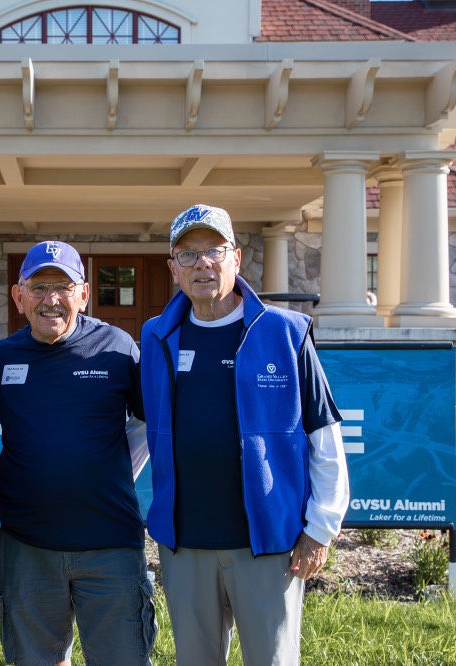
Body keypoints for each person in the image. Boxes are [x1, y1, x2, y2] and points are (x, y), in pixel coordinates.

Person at [140, 204, 349, 666]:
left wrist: (320, 528)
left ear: (236, 257)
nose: (203, 265)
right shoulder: (156, 336)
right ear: (173, 268)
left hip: (268, 544)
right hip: (185, 542)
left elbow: (323, 432)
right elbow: (142, 427)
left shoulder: (283, 331)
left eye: (213, 250)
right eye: (188, 255)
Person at [0, 241, 156, 666]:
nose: (52, 299)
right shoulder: (1, 358)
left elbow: (150, 422)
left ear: (83, 294)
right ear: (18, 295)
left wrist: (114, 475)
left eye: (64, 286)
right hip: (27, 546)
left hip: (110, 544)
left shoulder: (117, 348)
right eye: (40, 286)